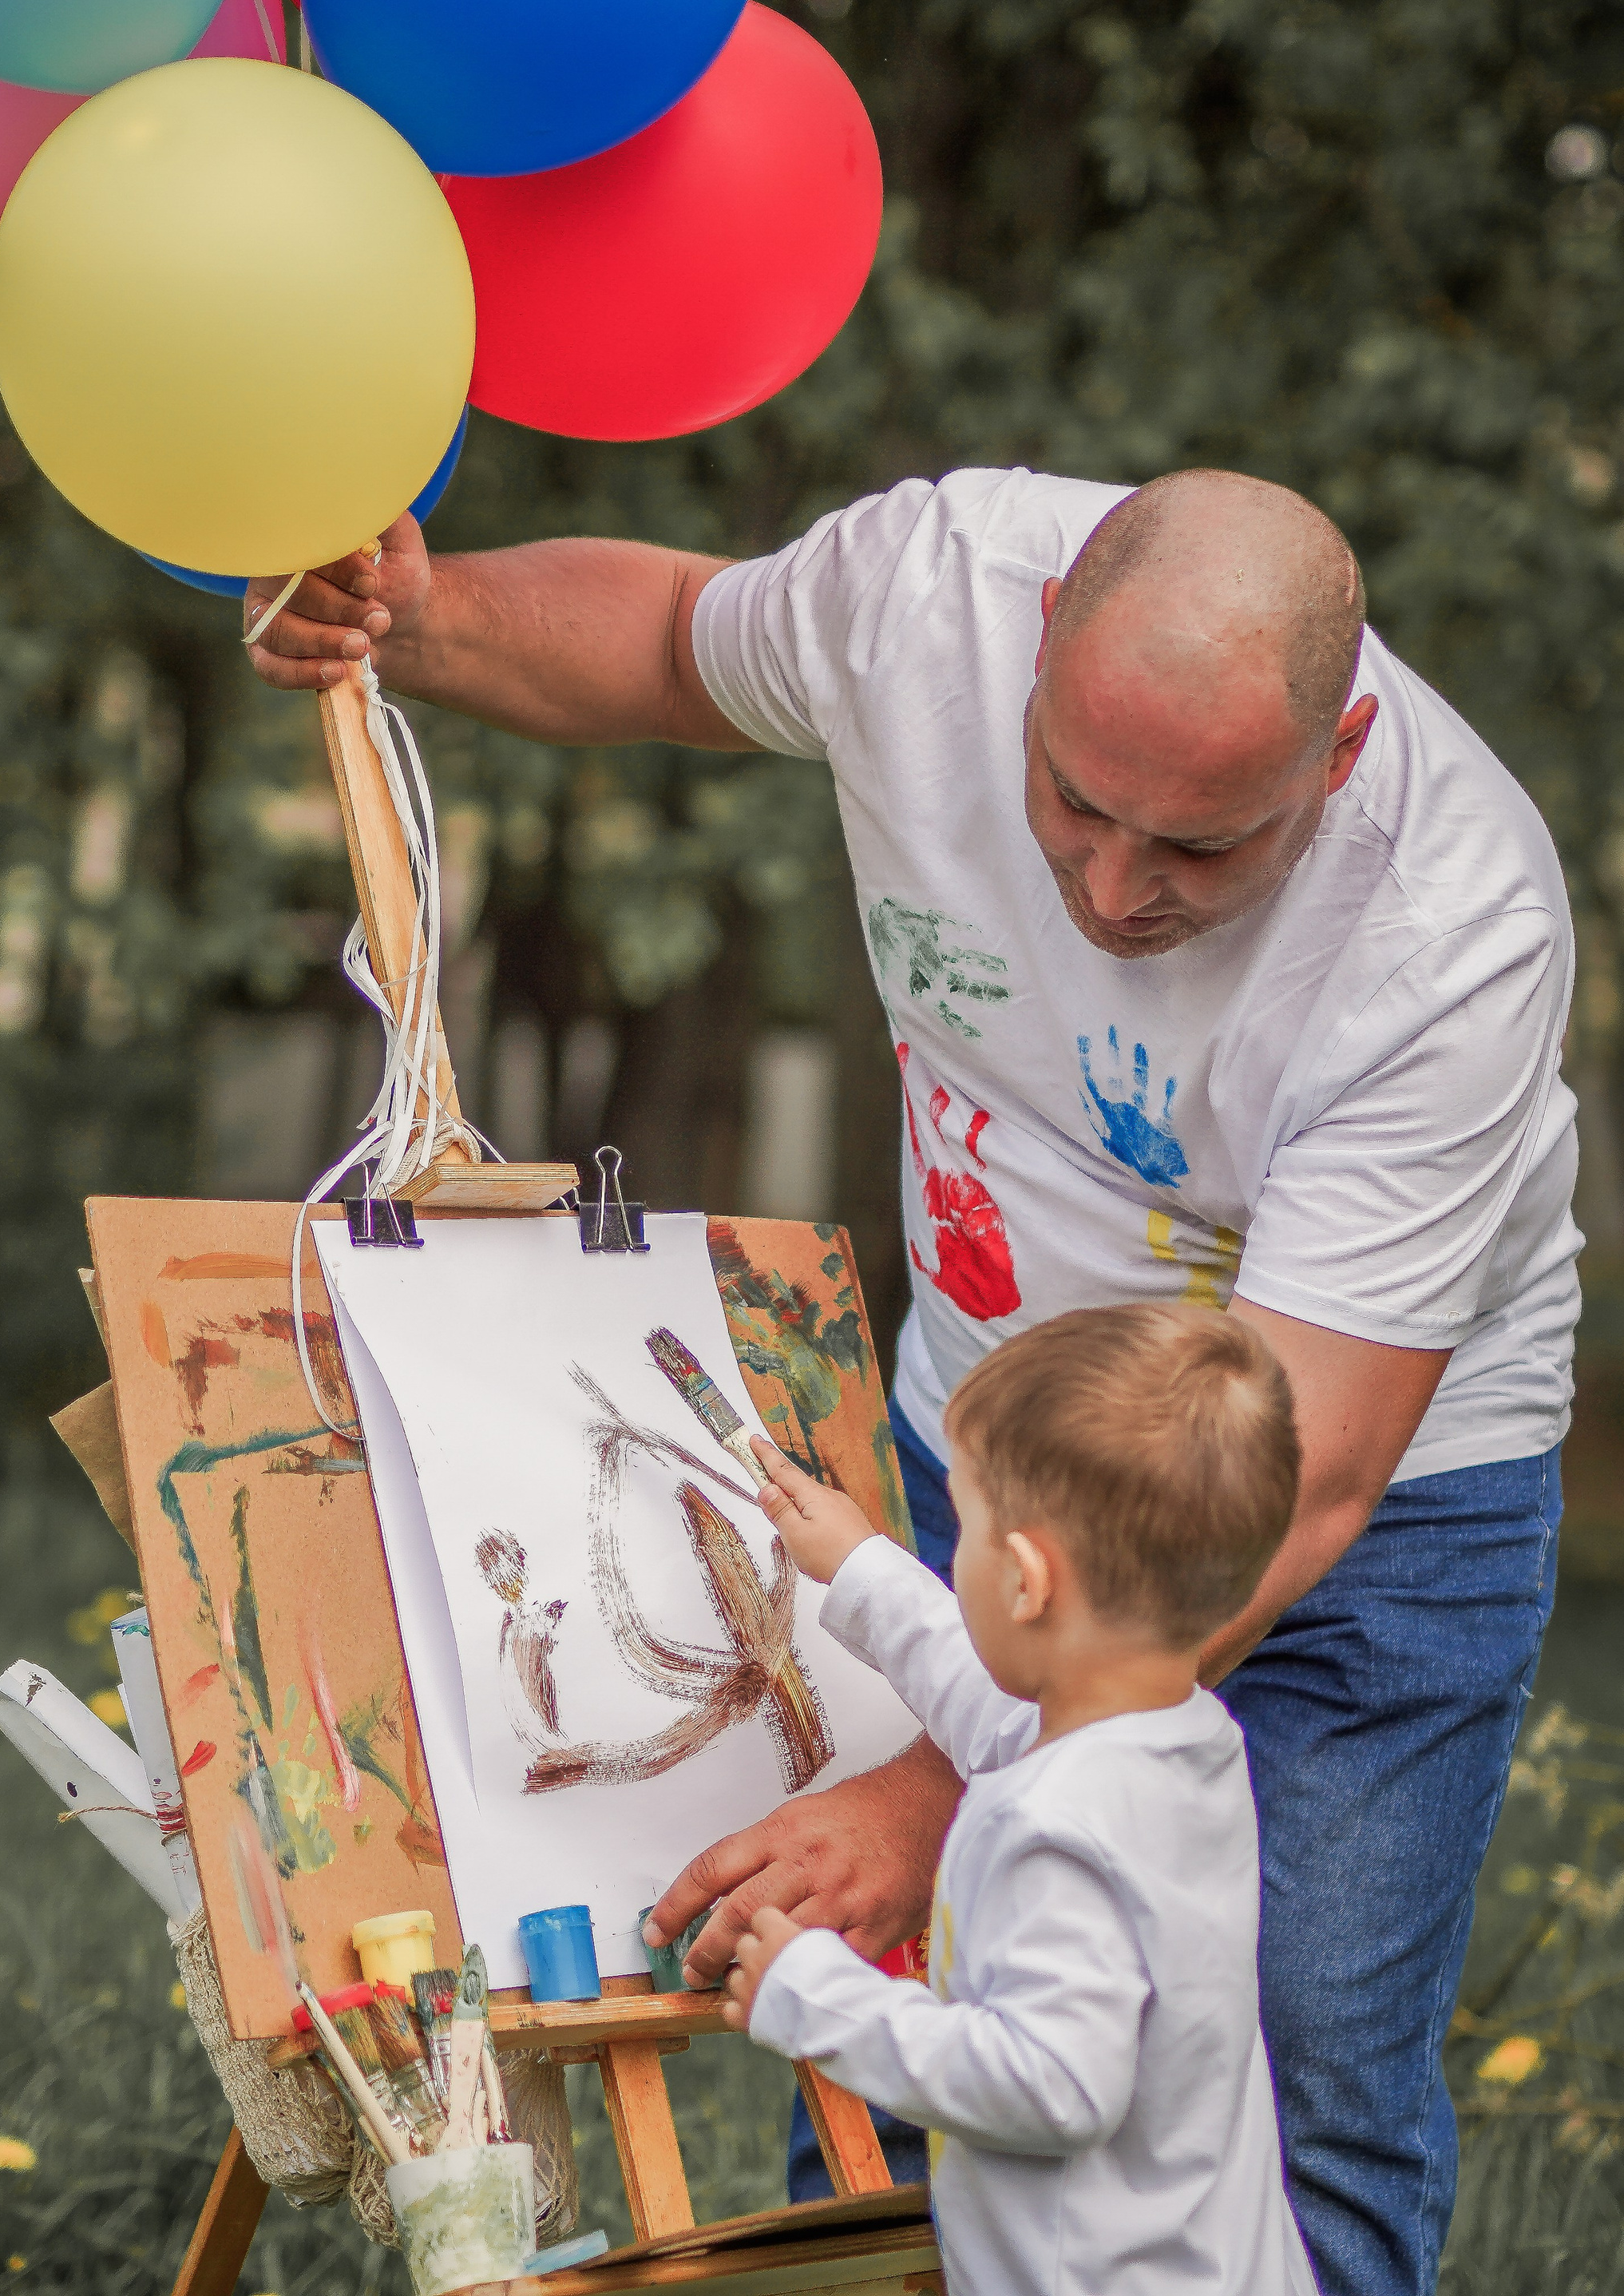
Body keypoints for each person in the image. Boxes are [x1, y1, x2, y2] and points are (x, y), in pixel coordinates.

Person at [246, 466, 1578, 2296]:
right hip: (1000, 1436)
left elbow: (1277, 1488)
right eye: (1072, 804)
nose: (1114, 887)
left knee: (1283, 2066)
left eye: (1198, 849)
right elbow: (660, 640)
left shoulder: (1448, 927)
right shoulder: (925, 595)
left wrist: (955, 1789)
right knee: (891, 2060)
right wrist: (410, 614)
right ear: (1028, 653)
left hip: (1341, 1507)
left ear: (1335, 758)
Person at [726, 1303, 1313, 2296]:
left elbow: (1055, 2082)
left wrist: (820, 1995)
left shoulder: (1055, 1825)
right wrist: (864, 1569)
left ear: (1028, 1578)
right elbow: (990, 1709)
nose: (956, 1561)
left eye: (968, 1528)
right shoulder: (1174, 1742)